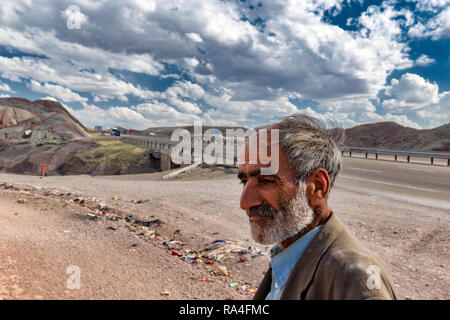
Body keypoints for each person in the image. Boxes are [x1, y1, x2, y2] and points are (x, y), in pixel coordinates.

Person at [237, 114, 397, 300]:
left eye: (266, 181)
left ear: (317, 187)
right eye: (244, 181)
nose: (244, 203)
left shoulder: (354, 280)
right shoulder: (289, 255)